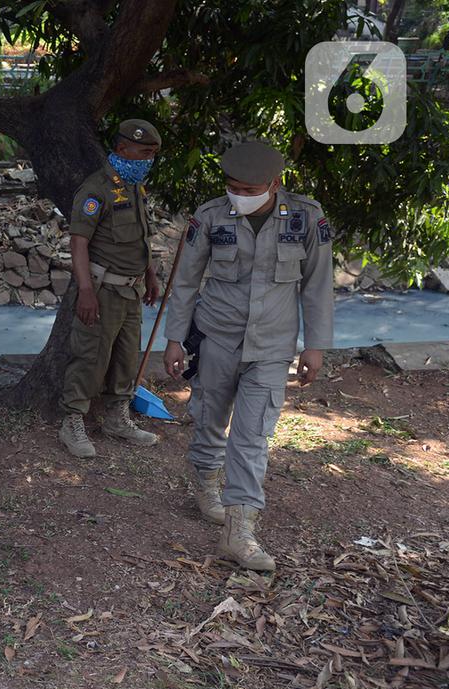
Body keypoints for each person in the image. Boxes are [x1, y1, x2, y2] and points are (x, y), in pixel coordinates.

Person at [162, 141, 334, 571]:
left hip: (272, 346)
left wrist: (316, 345)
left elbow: (317, 284)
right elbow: (186, 282)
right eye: (232, 186)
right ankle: (205, 482)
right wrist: (174, 339)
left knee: (253, 435)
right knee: (210, 419)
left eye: (249, 188)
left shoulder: (306, 217)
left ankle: (240, 530)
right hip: (216, 336)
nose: (239, 194)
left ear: (274, 184)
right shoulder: (210, 216)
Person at [58, 119, 164, 458]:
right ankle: (72, 421)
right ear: (122, 149)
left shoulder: (135, 187)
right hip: (103, 291)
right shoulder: (96, 189)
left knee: (125, 358)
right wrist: (85, 290)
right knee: (90, 356)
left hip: (132, 291)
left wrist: (150, 274)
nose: (149, 160)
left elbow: (139, 238)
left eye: (152, 155)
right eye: (145, 153)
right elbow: (78, 242)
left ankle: (117, 417)